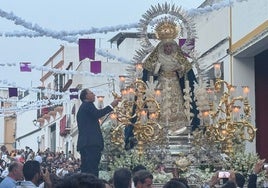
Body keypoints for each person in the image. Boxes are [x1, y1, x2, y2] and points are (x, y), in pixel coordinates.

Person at [76, 88, 120, 177]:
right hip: (91, 144)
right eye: (91, 93)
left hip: (85, 144)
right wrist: (111, 106)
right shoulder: (88, 105)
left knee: (86, 170)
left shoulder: (83, 108)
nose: (94, 95)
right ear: (86, 96)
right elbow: (97, 114)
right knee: (92, 170)